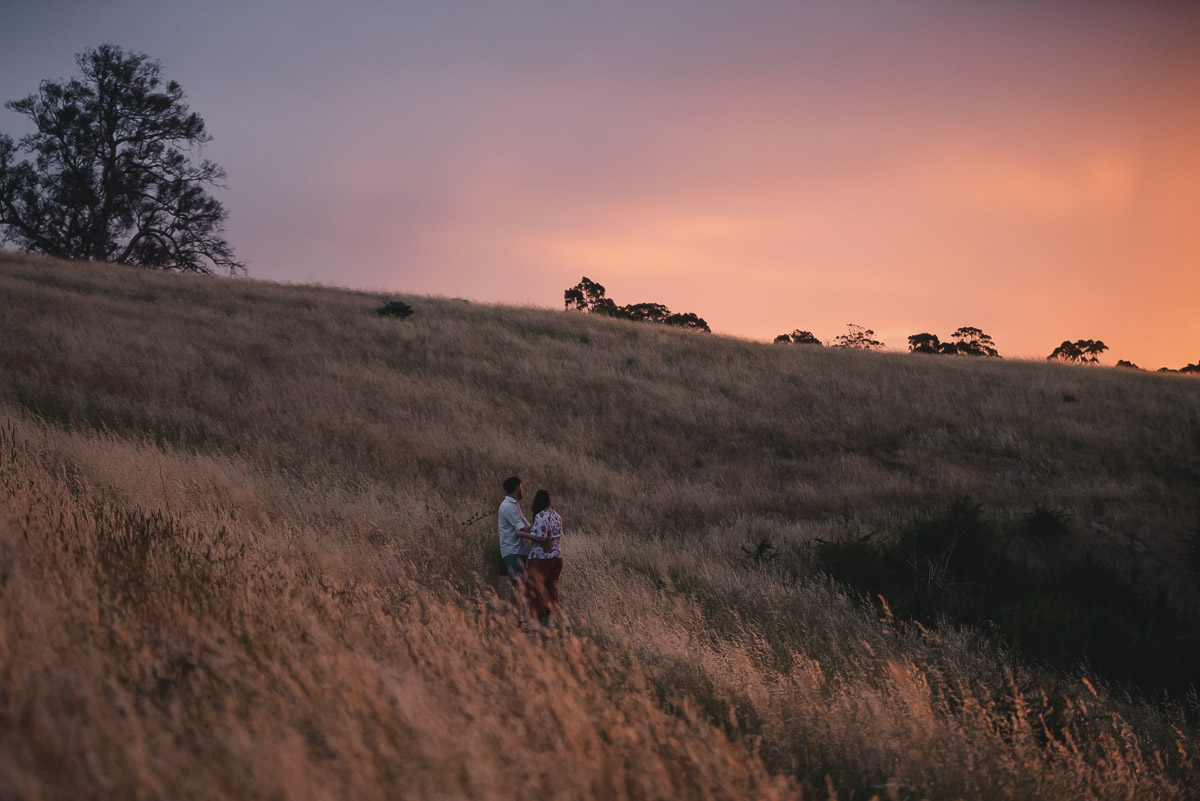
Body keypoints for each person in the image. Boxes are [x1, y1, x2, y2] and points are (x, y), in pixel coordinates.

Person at [518, 489, 563, 624]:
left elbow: (540, 538)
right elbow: (556, 536)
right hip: (557, 555)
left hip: (541, 557)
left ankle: (536, 618)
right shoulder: (557, 515)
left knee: (534, 586)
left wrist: (521, 534)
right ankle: (555, 616)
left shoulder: (541, 516)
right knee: (552, 587)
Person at [497, 476, 532, 603]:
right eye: (521, 487)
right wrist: (540, 538)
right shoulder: (508, 506)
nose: (522, 490)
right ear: (517, 488)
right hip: (512, 551)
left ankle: (517, 615)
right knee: (518, 585)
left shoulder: (514, 505)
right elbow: (523, 530)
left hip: (518, 550)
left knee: (520, 583)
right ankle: (515, 616)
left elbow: (526, 527)